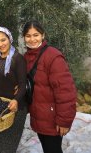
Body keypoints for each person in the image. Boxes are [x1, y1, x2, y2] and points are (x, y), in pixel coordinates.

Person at [22, 20, 77, 153]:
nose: (32, 39)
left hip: (53, 119)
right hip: (39, 116)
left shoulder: (53, 56)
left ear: (43, 35)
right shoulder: (26, 57)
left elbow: (65, 92)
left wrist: (64, 121)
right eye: (28, 36)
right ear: (24, 37)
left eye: (36, 35)